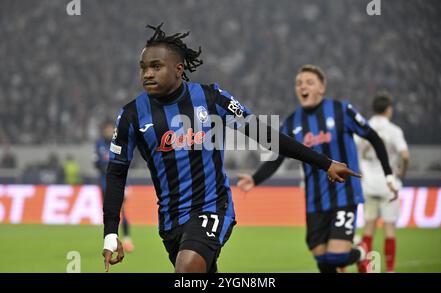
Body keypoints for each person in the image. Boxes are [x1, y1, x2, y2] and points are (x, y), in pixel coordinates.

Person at [102, 24, 360, 273]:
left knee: (188, 266)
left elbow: (266, 135)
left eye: (156, 66)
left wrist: (324, 162)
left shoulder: (211, 98)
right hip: (170, 220)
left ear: (178, 69)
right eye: (143, 67)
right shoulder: (132, 115)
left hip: (212, 206)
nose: (147, 73)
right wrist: (111, 231)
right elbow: (116, 173)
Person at [237, 65, 398, 273]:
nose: (303, 86)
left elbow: (373, 137)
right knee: (322, 260)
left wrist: (389, 174)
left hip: (344, 195)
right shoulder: (293, 122)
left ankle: (362, 252)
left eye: (309, 82)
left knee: (336, 256)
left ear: (322, 88)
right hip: (315, 200)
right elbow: (277, 156)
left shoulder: (342, 111)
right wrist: (255, 179)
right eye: (299, 83)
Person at [356, 93, 409, 273]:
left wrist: (360, 170)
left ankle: (367, 268)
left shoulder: (363, 127)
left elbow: (353, 153)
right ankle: (390, 270)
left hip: (368, 184)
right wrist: (402, 172)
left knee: (368, 229)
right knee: (389, 230)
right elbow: (405, 155)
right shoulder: (394, 130)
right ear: (388, 109)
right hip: (389, 185)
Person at [95, 122, 134, 252]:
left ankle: (127, 239)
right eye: (107, 129)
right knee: (109, 212)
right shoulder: (99, 144)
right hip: (104, 184)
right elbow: (96, 163)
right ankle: (111, 240)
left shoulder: (118, 143)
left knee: (121, 210)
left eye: (111, 129)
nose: (109, 131)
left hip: (117, 184)